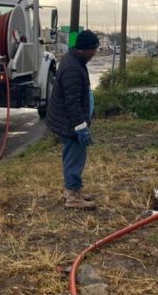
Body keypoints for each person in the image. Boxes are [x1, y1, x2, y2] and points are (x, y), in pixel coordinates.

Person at [47, 30, 100, 210]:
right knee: (74, 157)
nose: (94, 53)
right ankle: (72, 197)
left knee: (74, 156)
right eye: (93, 49)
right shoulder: (72, 68)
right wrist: (80, 127)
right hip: (69, 122)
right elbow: (72, 102)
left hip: (69, 120)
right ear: (84, 49)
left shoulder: (75, 60)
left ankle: (74, 190)